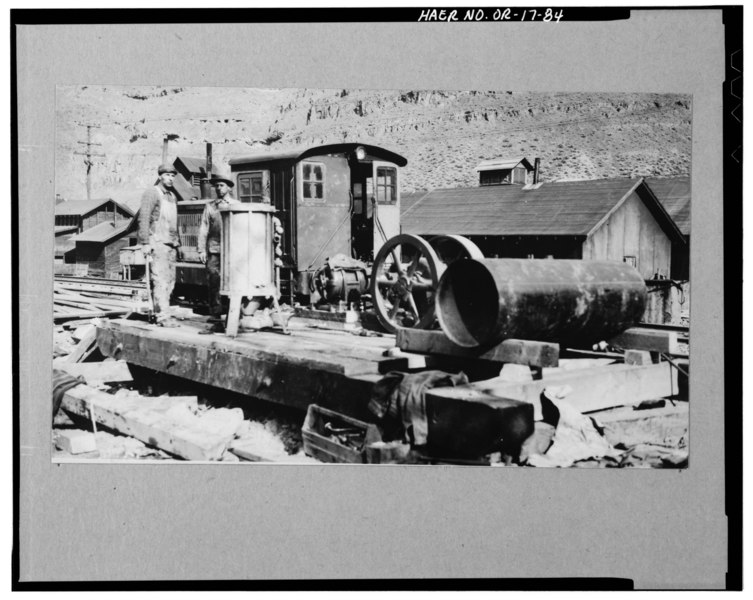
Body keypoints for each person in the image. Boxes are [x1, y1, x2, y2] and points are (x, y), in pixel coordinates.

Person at [138, 163, 181, 326]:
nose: (170, 178)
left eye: (173, 176)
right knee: (160, 280)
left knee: (170, 281)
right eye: (167, 175)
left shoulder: (171, 196)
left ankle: (164, 312)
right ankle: (162, 316)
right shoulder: (152, 193)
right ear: (160, 176)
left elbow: (173, 223)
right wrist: (145, 242)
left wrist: (178, 244)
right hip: (157, 243)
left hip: (170, 244)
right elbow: (144, 218)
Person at [197, 171, 238, 333]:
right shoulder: (210, 207)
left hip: (232, 253)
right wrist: (201, 250)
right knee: (214, 285)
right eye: (217, 186)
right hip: (214, 251)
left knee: (231, 285)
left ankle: (232, 318)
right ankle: (216, 319)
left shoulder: (236, 205)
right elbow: (203, 229)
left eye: (222, 186)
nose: (219, 189)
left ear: (228, 188)